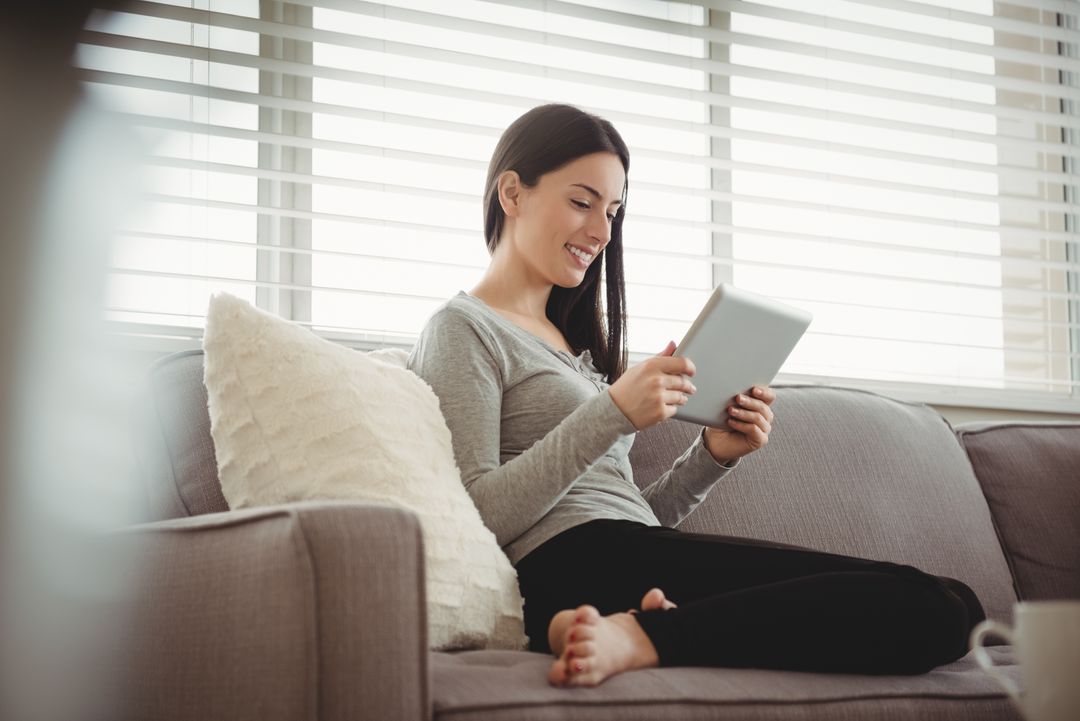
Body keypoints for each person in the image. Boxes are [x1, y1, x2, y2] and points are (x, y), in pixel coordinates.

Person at [406, 103, 986, 687]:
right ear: (511, 192)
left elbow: (629, 516)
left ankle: (627, 628)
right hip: (565, 561)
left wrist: (711, 457)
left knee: (958, 604)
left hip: (623, 551)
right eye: (582, 203)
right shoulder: (463, 328)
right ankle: (644, 634)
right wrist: (609, 415)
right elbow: (479, 514)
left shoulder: (573, 349)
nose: (603, 232)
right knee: (930, 604)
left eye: (613, 212)